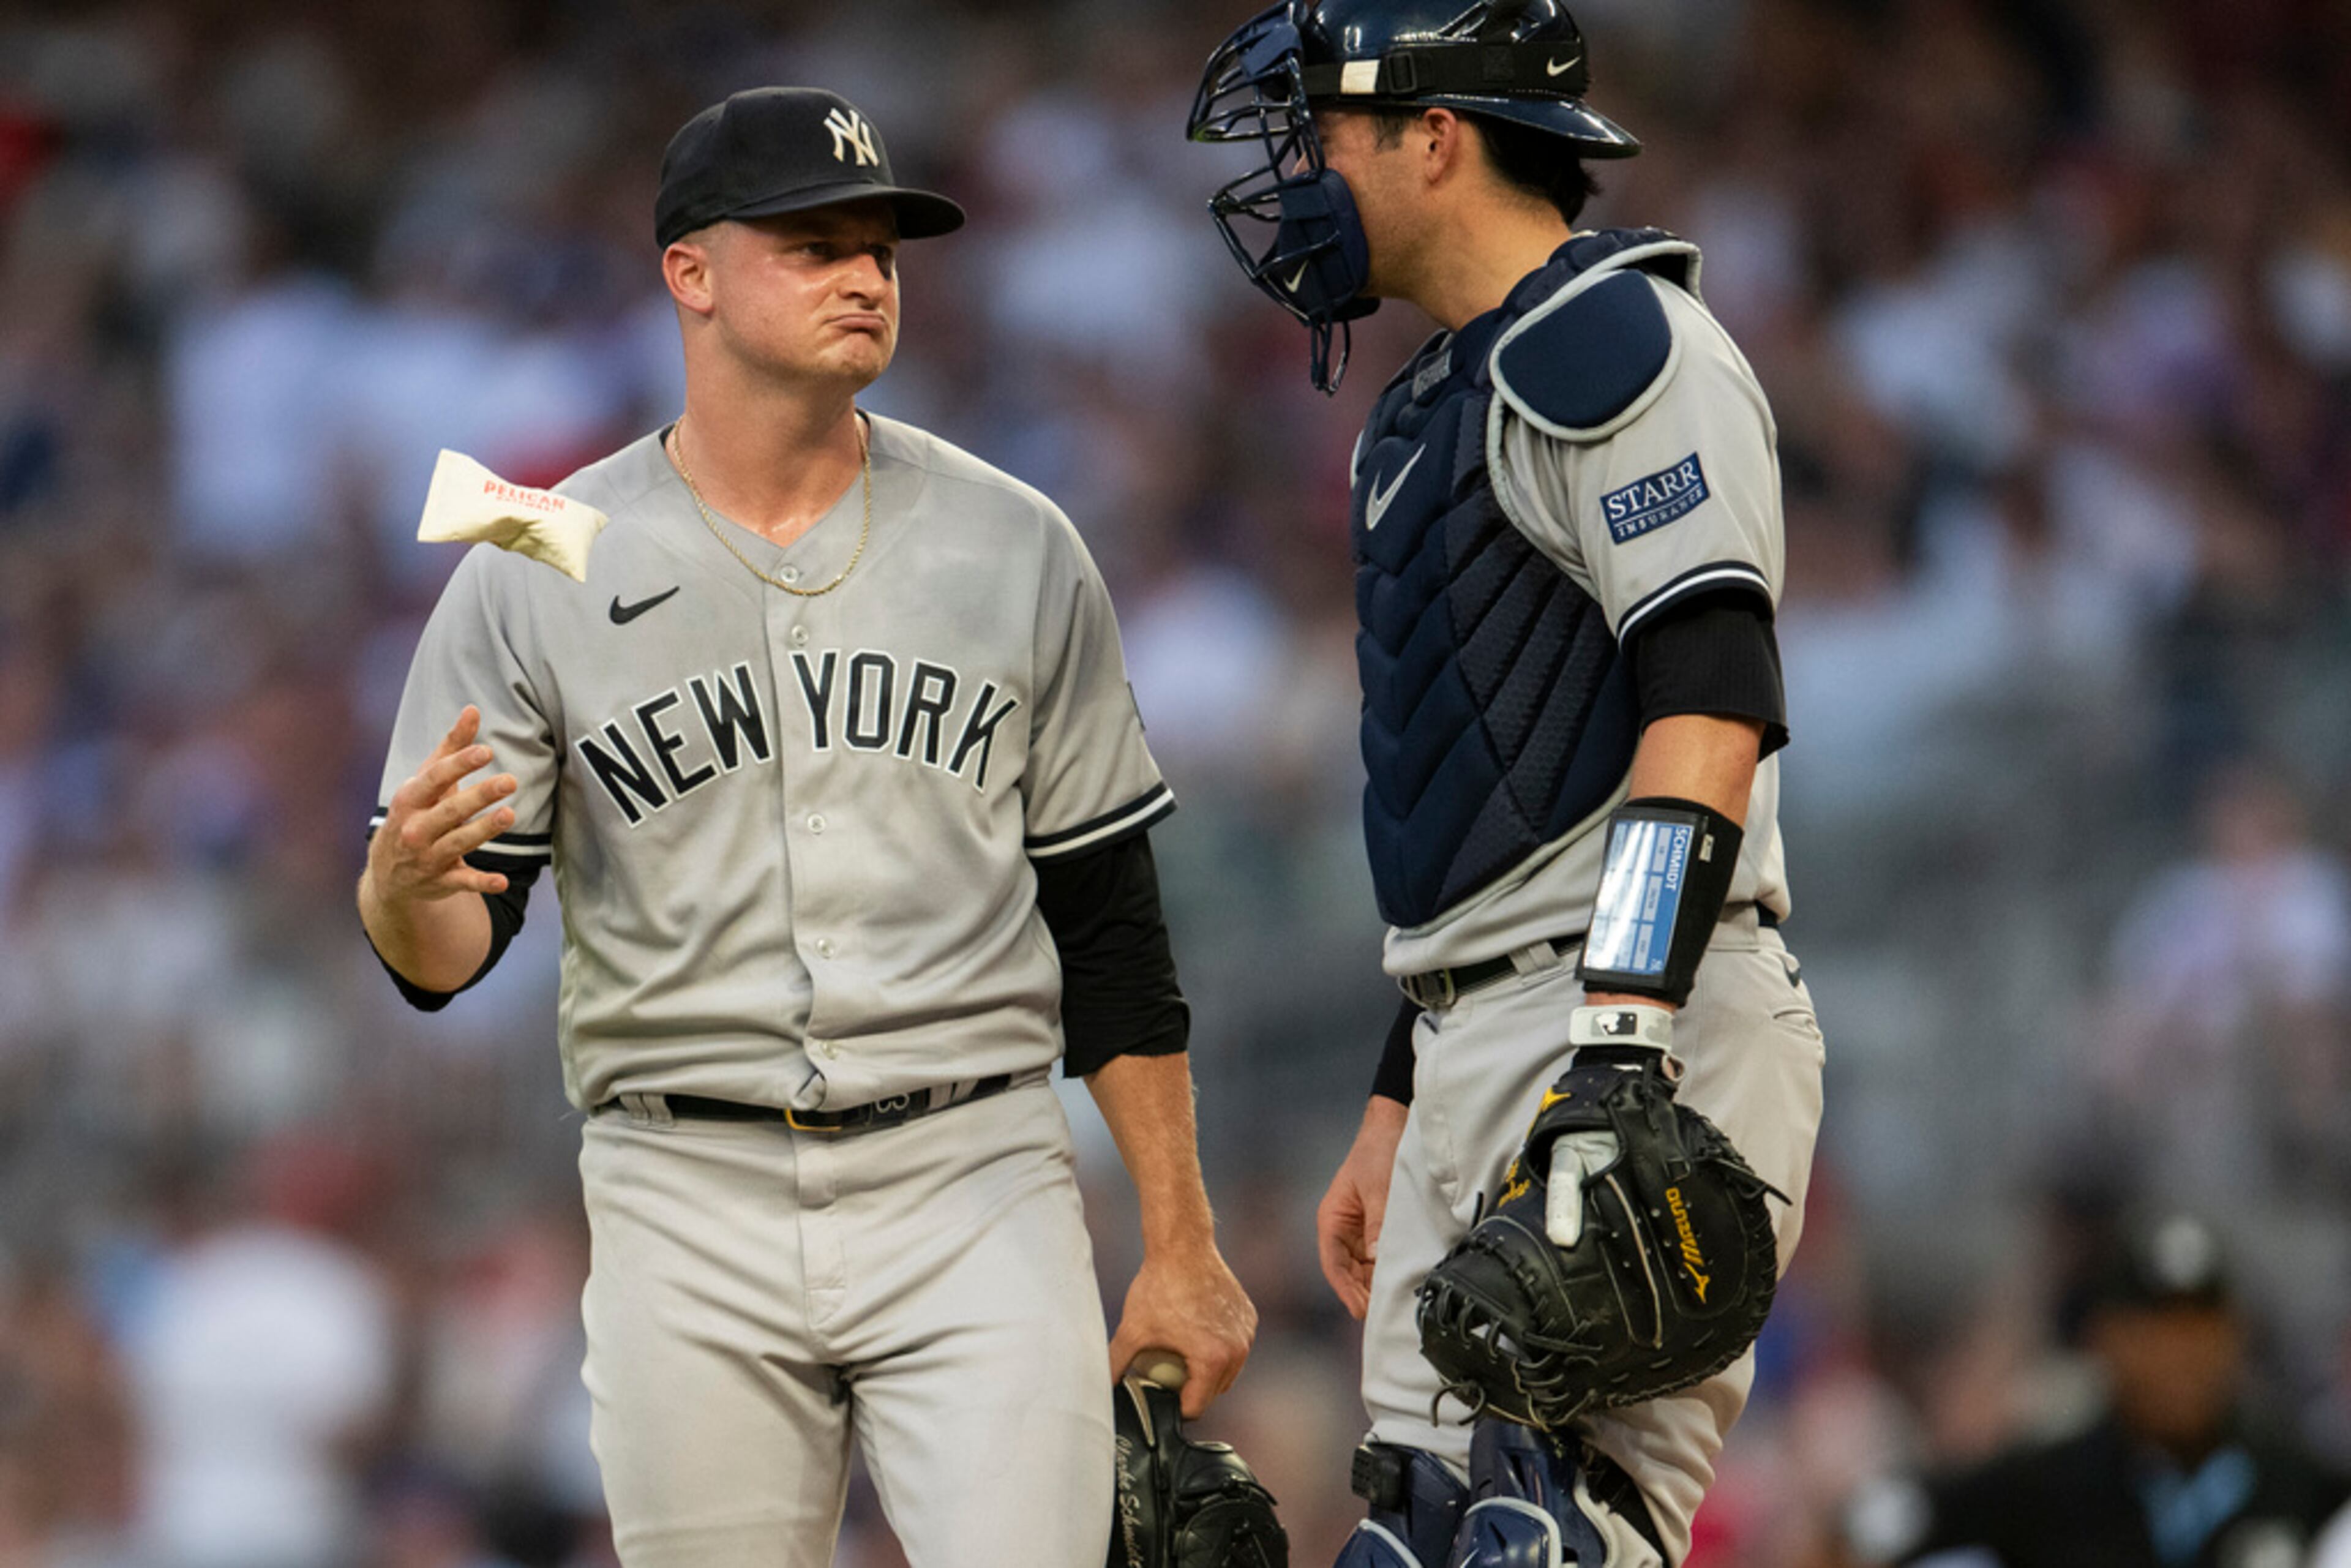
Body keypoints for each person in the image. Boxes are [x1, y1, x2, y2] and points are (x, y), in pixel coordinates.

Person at [356, 86, 1256, 1568]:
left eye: (881, 250)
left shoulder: (1016, 536)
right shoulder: (537, 545)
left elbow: (1109, 919)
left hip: (971, 1165)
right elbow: (448, 949)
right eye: (812, 243)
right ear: (688, 274)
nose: (863, 276)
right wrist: (398, 894)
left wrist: (1180, 1234)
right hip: (681, 1186)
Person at [1188, 4, 1825, 1565]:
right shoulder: (1422, 410)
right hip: (1484, 1031)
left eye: (1322, 131)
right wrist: (1401, 1089)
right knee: (1414, 1533)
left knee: (1543, 1534)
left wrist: (1618, 1047)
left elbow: (1710, 708)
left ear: (1433, 134)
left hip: (1631, 1017)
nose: (1298, 177)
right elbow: (1486, 808)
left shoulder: (1618, 343)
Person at [1850, 1212, 2351, 1567]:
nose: (2179, 1357)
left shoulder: (2305, 1485)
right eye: (2153, 1330)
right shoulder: (2046, 1483)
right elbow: (1876, 1523)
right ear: (2104, 1339)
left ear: (2236, 1337)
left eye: (2199, 1328)